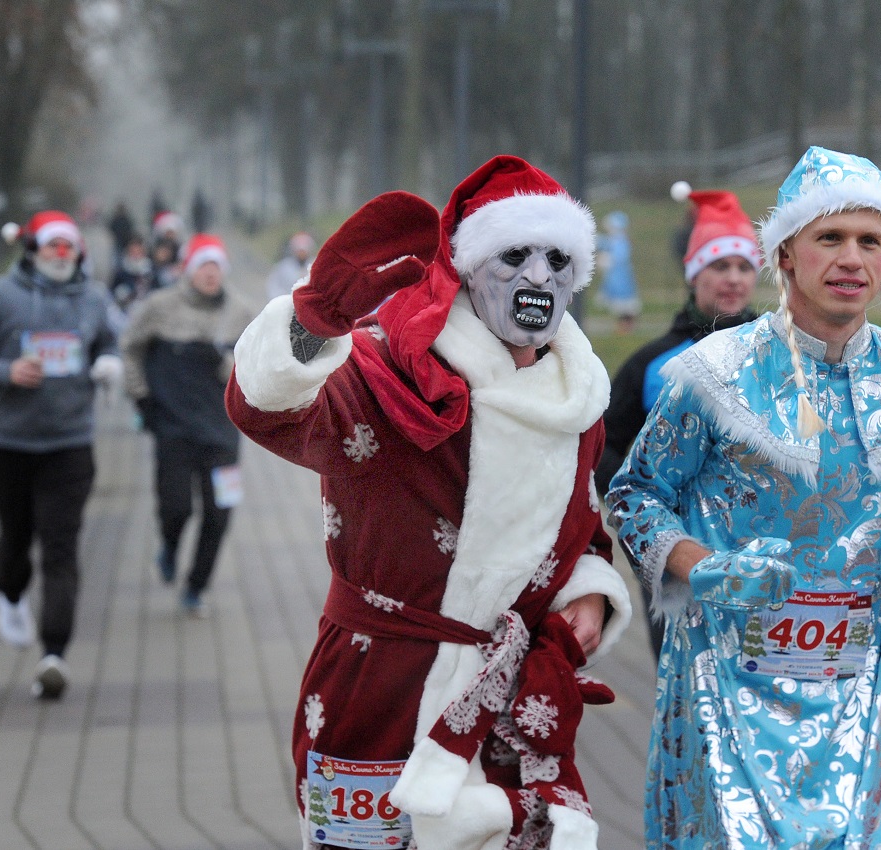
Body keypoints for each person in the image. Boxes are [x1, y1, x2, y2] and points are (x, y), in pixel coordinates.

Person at [226, 155, 632, 850]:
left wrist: (589, 601)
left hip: (507, 706)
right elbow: (268, 409)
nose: (538, 277)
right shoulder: (386, 371)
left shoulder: (580, 400)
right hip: (378, 684)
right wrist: (313, 322)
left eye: (558, 259)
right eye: (514, 255)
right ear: (471, 269)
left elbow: (582, 533)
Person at [607, 146, 881, 848]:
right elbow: (635, 496)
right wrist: (705, 567)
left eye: (869, 241)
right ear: (786, 254)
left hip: (853, 705)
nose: (851, 258)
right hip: (723, 690)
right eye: (830, 238)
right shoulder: (710, 375)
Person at [0, 210, 122, 700]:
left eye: (69, 247)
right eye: (52, 246)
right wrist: (7, 372)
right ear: (32, 249)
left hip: (70, 444)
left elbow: (109, 339)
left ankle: (54, 655)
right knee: (16, 539)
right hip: (9, 444)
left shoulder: (92, 297)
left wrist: (108, 363)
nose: (61, 254)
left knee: (61, 545)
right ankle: (7, 590)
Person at [595, 183, 761, 660]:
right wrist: (647, 517)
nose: (733, 278)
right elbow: (604, 444)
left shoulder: (780, 356)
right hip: (678, 559)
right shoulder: (652, 364)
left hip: (760, 557)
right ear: (693, 274)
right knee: (684, 693)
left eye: (744, 266)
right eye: (720, 265)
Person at [120, 233, 255, 617]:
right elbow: (130, 347)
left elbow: (263, 363)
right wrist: (140, 395)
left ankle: (196, 586)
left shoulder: (242, 312)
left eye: (217, 267)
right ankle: (169, 544)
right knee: (177, 507)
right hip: (174, 429)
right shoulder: (159, 307)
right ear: (190, 270)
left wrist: (238, 370)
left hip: (224, 432)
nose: (211, 274)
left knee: (220, 513)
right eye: (203, 266)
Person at [595, 211, 640, 333]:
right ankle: (622, 325)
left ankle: (626, 325)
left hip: (620, 277)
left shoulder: (621, 241)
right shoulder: (612, 240)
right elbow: (600, 242)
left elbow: (620, 257)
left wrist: (607, 260)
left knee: (624, 303)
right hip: (614, 277)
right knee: (617, 303)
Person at [264, 230, 316, 300]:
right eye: (299, 250)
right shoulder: (283, 267)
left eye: (303, 251)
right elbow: (273, 286)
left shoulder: (315, 266)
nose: (301, 253)